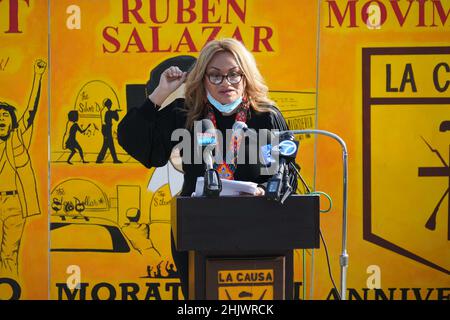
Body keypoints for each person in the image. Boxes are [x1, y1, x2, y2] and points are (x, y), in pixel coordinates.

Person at [118, 38, 296, 299]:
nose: (226, 83)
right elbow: (134, 139)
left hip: (256, 230)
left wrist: (268, 190)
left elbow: (287, 171)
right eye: (215, 75)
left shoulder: (266, 116)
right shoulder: (187, 114)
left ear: (246, 76)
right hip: (197, 231)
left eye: (234, 74)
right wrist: (160, 93)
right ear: (202, 79)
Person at [0, 59, 46, 278]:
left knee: (9, 252)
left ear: (12, 122)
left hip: (13, 203)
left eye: (5, 115)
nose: (1, 119)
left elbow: (30, 110)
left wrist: (37, 77)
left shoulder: (17, 139)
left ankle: (10, 286)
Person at [96, 98, 122, 164]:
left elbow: (111, 115)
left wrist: (114, 112)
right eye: (110, 104)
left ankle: (114, 159)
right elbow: (115, 118)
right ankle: (100, 159)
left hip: (105, 129)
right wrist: (115, 112)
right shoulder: (107, 111)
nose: (111, 105)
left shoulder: (104, 110)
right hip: (106, 129)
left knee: (109, 145)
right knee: (107, 145)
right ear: (108, 104)